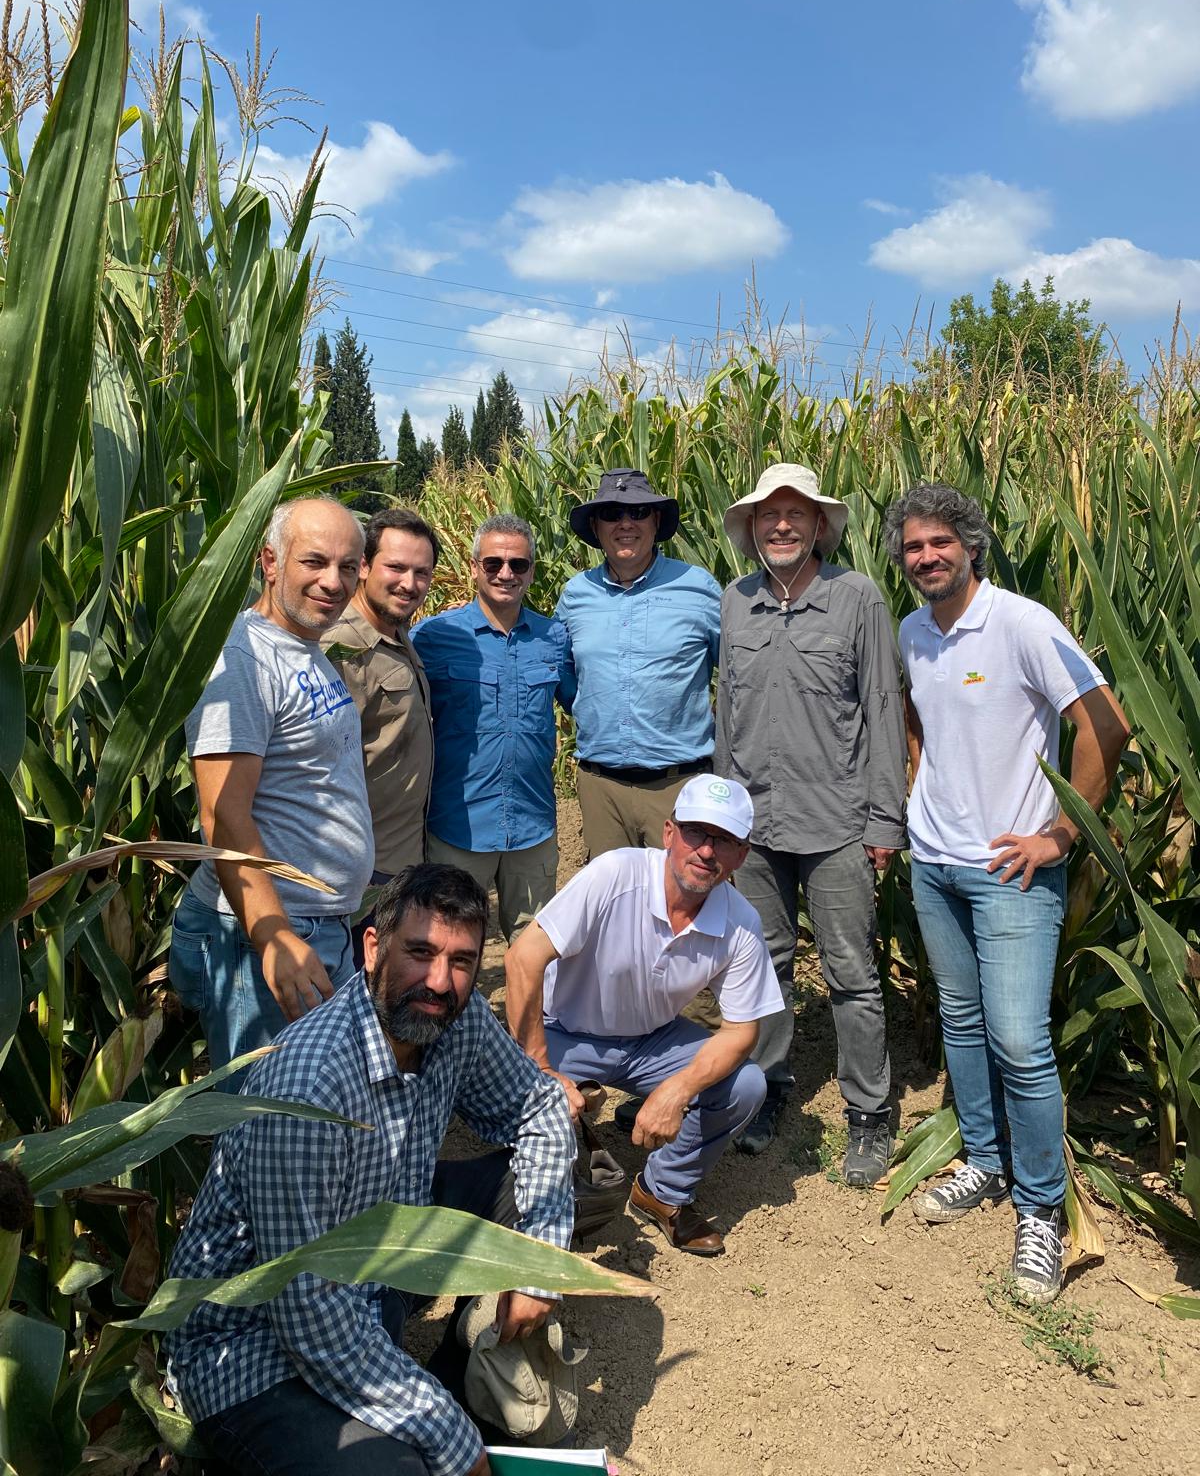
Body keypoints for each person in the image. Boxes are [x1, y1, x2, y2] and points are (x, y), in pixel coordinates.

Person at [167, 863, 576, 1476]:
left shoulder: (453, 1019)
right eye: (421, 952)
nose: (439, 981)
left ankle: (456, 1377)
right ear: (372, 948)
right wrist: (453, 1439)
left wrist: (537, 1266)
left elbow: (539, 1105)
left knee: (540, 1192)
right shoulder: (308, 1090)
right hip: (257, 1344)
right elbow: (308, 1315)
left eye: (461, 962)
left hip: (377, 1267)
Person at [884, 483, 1128, 1302]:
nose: (926, 557)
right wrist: (920, 793)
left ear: (971, 546)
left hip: (1011, 872)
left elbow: (1107, 723)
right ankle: (986, 1161)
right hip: (936, 863)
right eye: (913, 547)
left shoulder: (1022, 623)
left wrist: (1060, 834)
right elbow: (918, 716)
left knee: (1020, 1042)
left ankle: (1042, 1209)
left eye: (939, 543)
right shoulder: (912, 631)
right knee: (961, 1019)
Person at [714, 464, 907, 1179]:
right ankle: (767, 1090)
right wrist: (725, 816)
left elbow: (884, 710)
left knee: (851, 971)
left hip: (838, 822)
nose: (782, 525)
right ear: (752, 528)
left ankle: (869, 1113)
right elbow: (726, 714)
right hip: (756, 825)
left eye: (796, 514)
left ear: (820, 525)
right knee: (764, 965)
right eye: (769, 515)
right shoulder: (736, 602)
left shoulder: (857, 598)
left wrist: (885, 821)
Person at [505, 774, 782, 1258]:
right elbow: (523, 959)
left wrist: (677, 1089)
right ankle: (531, 1197)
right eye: (696, 832)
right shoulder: (616, 875)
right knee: (520, 1098)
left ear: (741, 855)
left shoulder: (740, 923)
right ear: (669, 833)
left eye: (724, 840)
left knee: (746, 1084)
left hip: (651, 1039)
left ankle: (663, 1190)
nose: (706, 851)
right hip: (562, 1031)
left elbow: (742, 1031)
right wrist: (541, 1067)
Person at [169, 497, 374, 1074]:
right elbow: (222, 812)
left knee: (310, 1101)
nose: (333, 581)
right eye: (314, 561)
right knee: (262, 1114)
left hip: (316, 926)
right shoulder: (243, 657)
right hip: (264, 932)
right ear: (270, 561)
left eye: (348, 566)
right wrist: (274, 935)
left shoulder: (303, 648)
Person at [411, 515, 574, 943]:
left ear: (531, 571)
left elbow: (584, 705)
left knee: (535, 949)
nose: (506, 573)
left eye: (518, 564)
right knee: (448, 945)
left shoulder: (554, 637)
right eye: (493, 563)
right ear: (473, 567)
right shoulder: (432, 637)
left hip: (532, 826)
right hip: (458, 827)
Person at [556, 469, 721, 859]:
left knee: (681, 895)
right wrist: (592, 708)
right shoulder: (575, 594)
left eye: (639, 511)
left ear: (656, 520)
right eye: (612, 514)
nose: (626, 523)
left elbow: (735, 674)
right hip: (601, 790)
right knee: (613, 895)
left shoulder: (699, 588)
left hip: (678, 786)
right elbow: (562, 669)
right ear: (596, 527)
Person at [323, 508, 438, 887]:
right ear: (364, 566)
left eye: (421, 572)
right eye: (396, 568)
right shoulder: (340, 649)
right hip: (361, 865)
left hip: (401, 854)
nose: (409, 583)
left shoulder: (396, 632)